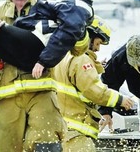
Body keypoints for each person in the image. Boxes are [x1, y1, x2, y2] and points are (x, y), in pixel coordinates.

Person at [52, 16, 135, 152]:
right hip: (76, 134)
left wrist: (94, 66)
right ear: (88, 35)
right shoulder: (82, 59)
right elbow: (93, 90)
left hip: (61, 129)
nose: (97, 49)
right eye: (98, 43)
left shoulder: (63, 54)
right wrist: (120, 99)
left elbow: (76, 82)